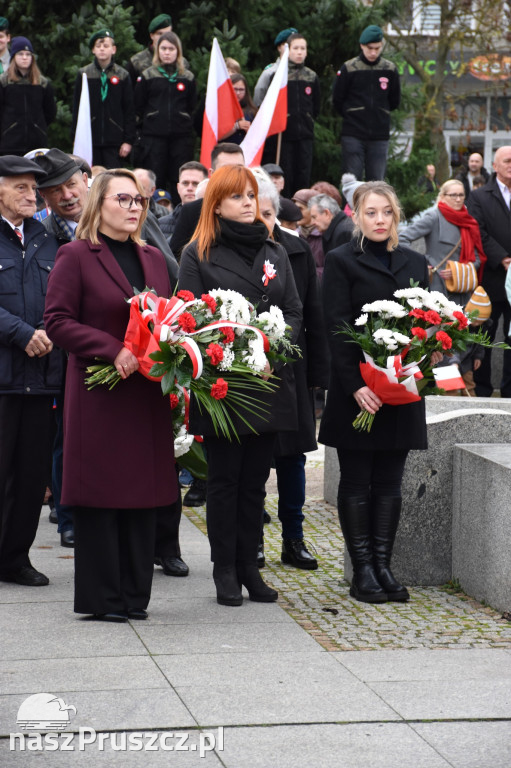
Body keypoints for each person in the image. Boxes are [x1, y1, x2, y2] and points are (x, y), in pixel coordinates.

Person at [44, 169, 178, 621]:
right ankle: (103, 599)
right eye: (123, 199)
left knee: (143, 494)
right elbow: (58, 321)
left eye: (139, 200)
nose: (134, 207)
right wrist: (112, 349)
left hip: (145, 394)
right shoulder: (76, 254)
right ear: (98, 204)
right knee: (104, 495)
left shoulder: (153, 258)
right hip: (101, 394)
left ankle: (134, 595)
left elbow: (165, 319)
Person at [178, 165, 302, 606]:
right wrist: (232, 358)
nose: (248, 203)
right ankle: (224, 568)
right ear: (217, 205)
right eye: (237, 196)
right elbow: (190, 317)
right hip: (224, 387)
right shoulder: (198, 253)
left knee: (255, 482)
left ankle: (250, 565)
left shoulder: (276, 251)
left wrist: (273, 354)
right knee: (225, 480)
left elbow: (293, 311)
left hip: (268, 380)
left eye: (252, 195)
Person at [319, 181, 433, 604]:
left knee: (389, 482)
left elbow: (423, 322)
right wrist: (354, 387)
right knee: (356, 479)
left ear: (396, 215)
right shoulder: (341, 260)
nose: (380, 220)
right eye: (371, 213)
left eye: (387, 212)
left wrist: (427, 354)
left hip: (400, 392)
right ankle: (362, 569)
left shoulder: (415, 262)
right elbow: (336, 327)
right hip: (359, 393)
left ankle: (383, 565)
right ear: (356, 216)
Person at [256, 170, 329, 569]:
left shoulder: (296, 250)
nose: (262, 220)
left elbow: (311, 313)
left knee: (293, 459)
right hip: (249, 371)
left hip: (291, 369)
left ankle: (294, 537)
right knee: (254, 460)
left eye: (269, 212)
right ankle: (254, 541)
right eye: (256, 211)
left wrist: (319, 373)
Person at [0, 155, 62, 586]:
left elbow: (59, 298)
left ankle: (16, 558)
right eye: (20, 187)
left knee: (31, 475)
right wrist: (21, 332)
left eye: (33, 187)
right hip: (2, 379)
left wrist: (49, 327)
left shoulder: (45, 238)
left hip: (42, 380)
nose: (31, 195)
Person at [36, 149, 91, 548]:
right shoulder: (40, 232)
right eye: (55, 191)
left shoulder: (115, 217)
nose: (67, 195)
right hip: (61, 350)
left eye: (71, 184)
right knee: (65, 437)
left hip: (120, 347)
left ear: (85, 180)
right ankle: (68, 517)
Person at [467, 145, 511, 397]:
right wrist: (504, 258)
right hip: (491, 280)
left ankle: (509, 393)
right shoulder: (480, 196)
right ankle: (481, 392)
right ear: (494, 166)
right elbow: (478, 232)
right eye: (506, 160)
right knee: (483, 336)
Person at [400, 179, 486, 307]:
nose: (458, 199)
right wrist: (421, 263)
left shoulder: (469, 222)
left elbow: (478, 258)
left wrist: (459, 271)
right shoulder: (434, 217)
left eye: (461, 195)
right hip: (437, 289)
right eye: (453, 195)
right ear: (443, 196)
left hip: (462, 291)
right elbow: (402, 239)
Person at [135, 31, 196, 207]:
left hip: (181, 137)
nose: (167, 52)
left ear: (178, 51)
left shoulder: (188, 77)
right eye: (163, 48)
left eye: (171, 49)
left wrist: (183, 119)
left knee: (179, 177)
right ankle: (153, 214)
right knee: (156, 176)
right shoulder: (148, 75)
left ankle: (180, 212)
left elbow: (191, 104)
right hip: (154, 137)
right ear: (157, 50)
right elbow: (138, 105)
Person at [333, 25, 400, 181]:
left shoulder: (389, 69)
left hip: (379, 135)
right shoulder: (349, 68)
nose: (373, 52)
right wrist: (353, 114)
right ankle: (350, 207)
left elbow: (395, 100)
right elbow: (337, 99)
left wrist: (380, 112)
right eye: (369, 48)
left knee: (377, 181)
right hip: (353, 134)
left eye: (377, 48)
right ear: (362, 45)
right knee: (352, 180)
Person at [170, 142, 245, 258]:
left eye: (239, 168)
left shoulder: (254, 208)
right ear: (212, 173)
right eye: (226, 169)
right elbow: (176, 257)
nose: (234, 174)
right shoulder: (192, 212)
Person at [72, 30, 135, 168]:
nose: (102, 49)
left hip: (114, 140)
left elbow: (129, 109)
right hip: (89, 138)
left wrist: (128, 140)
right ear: (93, 50)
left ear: (113, 50)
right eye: (98, 46)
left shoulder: (122, 75)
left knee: (112, 177)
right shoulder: (84, 74)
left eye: (106, 46)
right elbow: (77, 107)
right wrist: (75, 138)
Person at [278, 33, 320, 197]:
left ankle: (301, 207)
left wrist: (308, 119)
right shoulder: (279, 74)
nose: (299, 52)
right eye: (296, 48)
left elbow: (316, 105)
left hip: (305, 133)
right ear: (288, 50)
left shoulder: (311, 76)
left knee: (303, 173)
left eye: (303, 48)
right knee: (286, 173)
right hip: (285, 133)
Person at [0, 37, 56, 156]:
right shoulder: (4, 82)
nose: (24, 57)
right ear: (14, 57)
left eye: (28, 54)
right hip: (9, 144)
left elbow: (50, 112)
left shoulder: (42, 83)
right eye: (20, 54)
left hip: (36, 145)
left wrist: (37, 127)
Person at [159, 160, 208, 241]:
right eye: (185, 183)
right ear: (178, 188)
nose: (189, 188)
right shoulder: (159, 225)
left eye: (195, 184)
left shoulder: (216, 224)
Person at [126, 14, 172, 85]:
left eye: (168, 34)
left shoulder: (181, 63)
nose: (164, 38)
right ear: (152, 36)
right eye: (160, 34)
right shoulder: (137, 62)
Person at [219, 74, 257, 145]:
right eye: (235, 89)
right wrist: (237, 126)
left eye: (241, 90)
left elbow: (257, 139)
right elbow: (218, 136)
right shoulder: (220, 110)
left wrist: (251, 132)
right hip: (224, 150)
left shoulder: (252, 111)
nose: (238, 93)